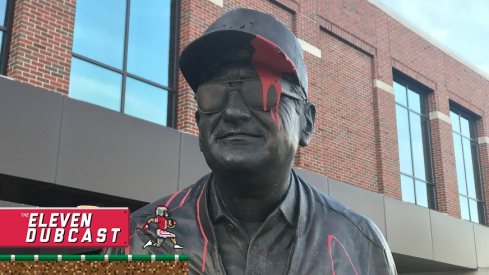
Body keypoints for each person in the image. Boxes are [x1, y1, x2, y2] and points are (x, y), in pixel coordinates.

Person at [105, 8, 397, 275]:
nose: (232, 112)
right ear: (198, 121)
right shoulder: (138, 237)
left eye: (260, 91)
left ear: (306, 123)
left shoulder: (360, 245)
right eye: (213, 94)